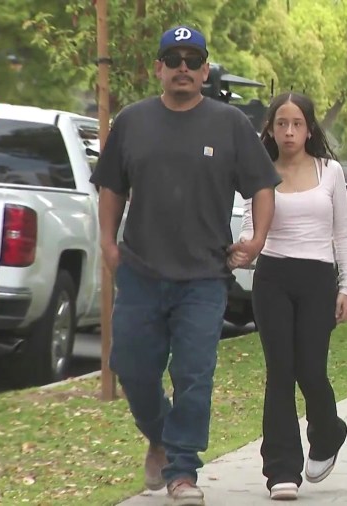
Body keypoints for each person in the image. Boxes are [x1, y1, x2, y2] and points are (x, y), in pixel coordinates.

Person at [90, 25, 279, 506]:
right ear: (158, 68)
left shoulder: (229, 123)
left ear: (204, 68)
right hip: (140, 271)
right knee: (130, 367)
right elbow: (111, 186)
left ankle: (182, 470)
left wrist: (256, 238)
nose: (182, 68)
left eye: (192, 60)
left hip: (203, 277)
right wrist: (108, 243)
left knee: (194, 375)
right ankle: (159, 437)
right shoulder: (132, 122)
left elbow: (261, 184)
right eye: (172, 59)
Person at [233, 92, 347, 501]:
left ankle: (328, 432)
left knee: (311, 371)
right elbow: (253, 227)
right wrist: (242, 249)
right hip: (273, 278)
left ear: (309, 128)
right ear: (270, 129)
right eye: (281, 123)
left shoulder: (330, 171)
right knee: (280, 372)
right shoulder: (260, 173)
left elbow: (343, 234)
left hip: (318, 278)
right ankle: (281, 469)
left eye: (297, 123)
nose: (288, 131)